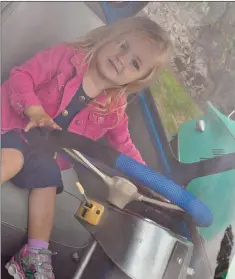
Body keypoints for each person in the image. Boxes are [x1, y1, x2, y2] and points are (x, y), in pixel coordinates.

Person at [1, 16, 171, 279]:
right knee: (14, 159)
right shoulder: (65, 57)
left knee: (48, 182)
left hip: (45, 155)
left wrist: (155, 184)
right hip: (15, 127)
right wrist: (34, 110)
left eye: (134, 63)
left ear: (137, 79)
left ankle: (33, 256)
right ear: (107, 36)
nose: (122, 59)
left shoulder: (113, 110)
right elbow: (20, 77)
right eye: (122, 45)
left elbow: (124, 147)